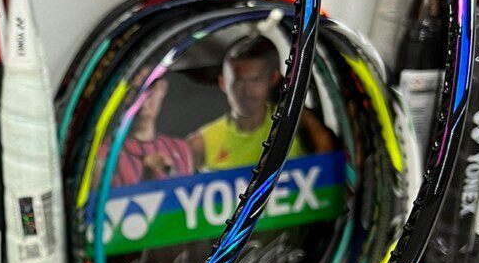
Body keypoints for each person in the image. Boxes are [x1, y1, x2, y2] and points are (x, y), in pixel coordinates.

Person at [188, 34, 334, 172]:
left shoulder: (297, 120)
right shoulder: (202, 142)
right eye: (238, 81)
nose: (247, 91)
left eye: (256, 80)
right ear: (223, 82)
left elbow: (329, 167)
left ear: (273, 78)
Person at [111, 78, 193, 186]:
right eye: (133, 92)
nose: (143, 104)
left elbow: (189, 190)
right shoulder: (105, 155)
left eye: (150, 90)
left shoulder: (181, 149)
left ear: (162, 88)